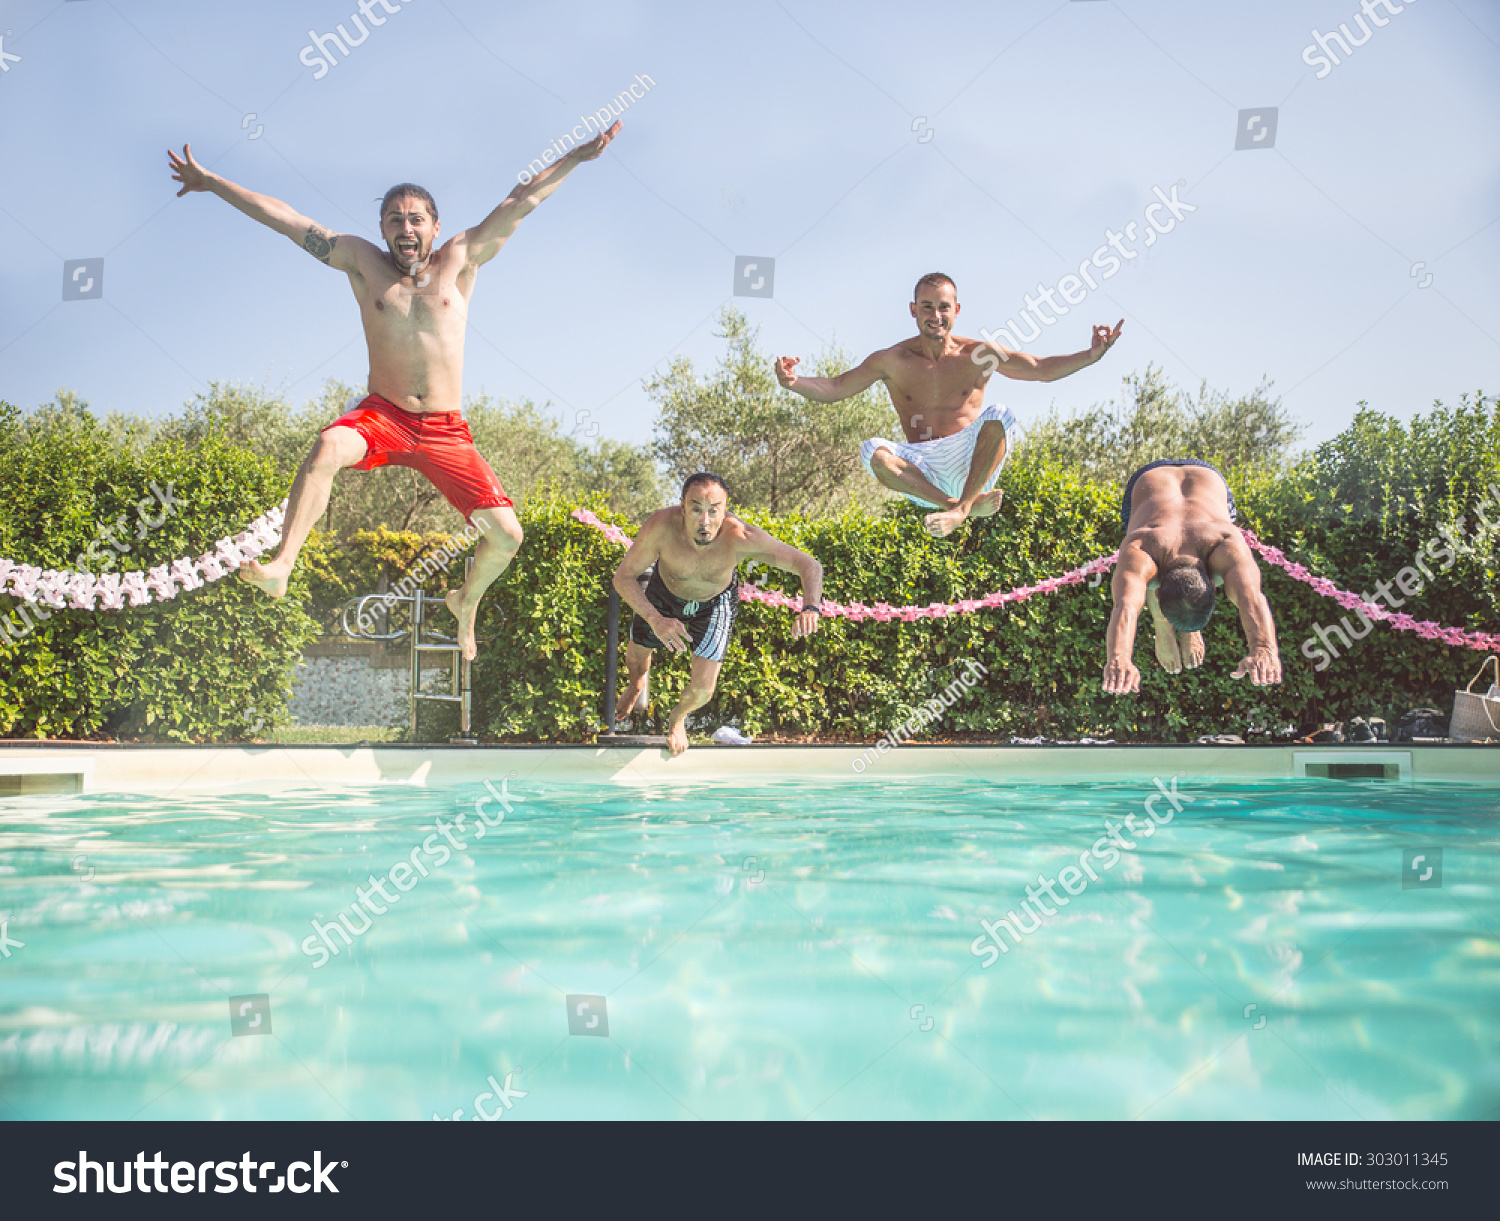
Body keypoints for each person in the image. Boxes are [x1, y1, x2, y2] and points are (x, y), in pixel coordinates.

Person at [166, 121, 621, 659]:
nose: (406, 227)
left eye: (416, 219)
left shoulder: (460, 259)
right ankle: (283, 565)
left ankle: (465, 601)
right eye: (394, 219)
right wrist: (214, 182)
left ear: (434, 226)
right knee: (327, 447)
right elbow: (289, 221)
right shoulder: (362, 261)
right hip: (383, 417)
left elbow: (522, 200)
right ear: (382, 230)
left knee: (506, 537)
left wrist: (575, 157)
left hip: (445, 430)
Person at [775, 273, 1122, 538]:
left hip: (971, 462)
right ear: (913, 310)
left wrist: (1091, 355)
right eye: (927, 306)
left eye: (943, 307)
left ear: (956, 310)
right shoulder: (891, 360)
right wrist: (793, 382)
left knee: (1001, 414)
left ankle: (964, 504)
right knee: (871, 451)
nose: (935, 315)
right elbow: (836, 387)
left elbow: (1041, 369)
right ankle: (958, 509)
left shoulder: (978, 354)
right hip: (922, 469)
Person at [612, 473, 823, 756]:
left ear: (725, 510)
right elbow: (623, 577)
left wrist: (810, 607)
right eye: (696, 509)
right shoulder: (661, 527)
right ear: (683, 507)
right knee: (636, 657)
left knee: (702, 691)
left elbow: (808, 564)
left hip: (714, 604)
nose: (705, 521)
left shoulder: (741, 536)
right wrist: (655, 618)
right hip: (663, 595)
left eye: (714, 511)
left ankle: (677, 719)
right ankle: (636, 683)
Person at [1103, 459, 1281, 694]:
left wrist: (1120, 657)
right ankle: (1165, 624)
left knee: (1141, 578)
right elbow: (1251, 597)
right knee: (1150, 577)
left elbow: (1125, 606)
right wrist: (1262, 648)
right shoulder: (1225, 544)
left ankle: (1181, 623)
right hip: (1173, 478)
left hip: (1189, 481)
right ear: (1211, 585)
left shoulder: (1142, 548)